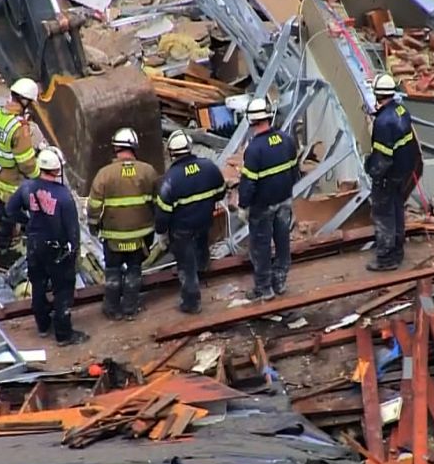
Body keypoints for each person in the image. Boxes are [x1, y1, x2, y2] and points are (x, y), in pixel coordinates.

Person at [4, 146, 88, 346]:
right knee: (63, 290)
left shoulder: (27, 187)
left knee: (38, 285)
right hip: (56, 248)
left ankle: (42, 325)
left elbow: (10, 209)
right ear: (58, 169)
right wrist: (74, 252)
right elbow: (72, 231)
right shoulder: (64, 196)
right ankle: (63, 334)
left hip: (34, 245)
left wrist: (27, 222)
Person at [87, 127, 159, 320]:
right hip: (140, 236)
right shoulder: (148, 171)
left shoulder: (104, 174)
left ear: (115, 148)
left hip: (113, 237)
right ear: (134, 147)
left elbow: (94, 205)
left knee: (112, 272)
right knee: (135, 270)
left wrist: (93, 226)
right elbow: (157, 201)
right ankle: (130, 308)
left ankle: (111, 308)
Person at [155, 130, 226, 314]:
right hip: (204, 221)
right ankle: (203, 270)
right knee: (202, 247)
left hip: (182, 229)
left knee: (186, 266)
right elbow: (221, 192)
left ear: (171, 153)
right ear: (189, 147)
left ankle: (191, 303)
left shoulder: (170, 180)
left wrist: (161, 233)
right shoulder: (208, 167)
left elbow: (163, 212)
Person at [239, 97, 298, 301]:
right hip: (284, 202)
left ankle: (264, 288)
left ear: (251, 121)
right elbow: (295, 172)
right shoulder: (287, 140)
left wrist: (243, 205)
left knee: (261, 247)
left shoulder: (254, 150)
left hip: (262, 207)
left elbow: (248, 183)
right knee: (282, 242)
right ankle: (279, 281)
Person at [0, 77, 41, 270]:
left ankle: (2, 247)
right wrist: (40, 175)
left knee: (3, 212)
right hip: (12, 185)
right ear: (26, 102)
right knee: (20, 217)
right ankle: (5, 256)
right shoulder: (19, 128)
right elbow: (27, 164)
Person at [364, 73, 418, 271]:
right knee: (396, 210)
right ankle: (397, 249)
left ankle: (386, 258)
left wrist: (372, 171)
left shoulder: (383, 122)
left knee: (383, 214)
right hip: (402, 173)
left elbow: (382, 158)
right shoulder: (402, 111)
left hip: (388, 175)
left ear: (377, 95)